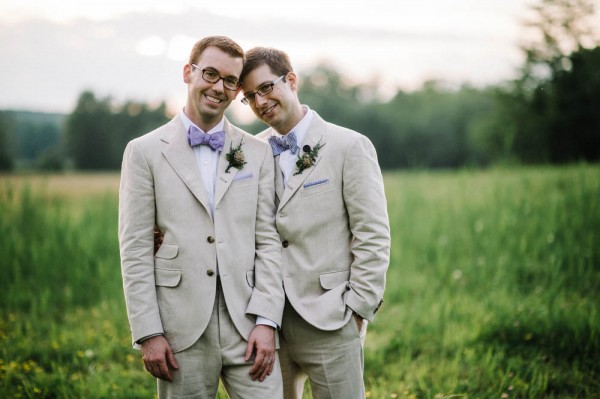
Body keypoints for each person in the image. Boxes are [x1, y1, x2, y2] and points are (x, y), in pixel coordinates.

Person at [118, 36, 285, 398]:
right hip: (180, 330)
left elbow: (268, 241)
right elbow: (134, 249)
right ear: (187, 73)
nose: (218, 87)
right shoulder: (144, 152)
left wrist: (267, 321)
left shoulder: (256, 152)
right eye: (210, 74)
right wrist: (149, 332)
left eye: (229, 80)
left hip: (248, 324)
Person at [238, 47, 391, 399]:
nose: (260, 102)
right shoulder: (250, 154)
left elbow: (372, 234)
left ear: (291, 80)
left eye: (265, 88)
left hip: (331, 317)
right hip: (267, 323)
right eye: (249, 97)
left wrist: (358, 309)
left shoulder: (349, 146)